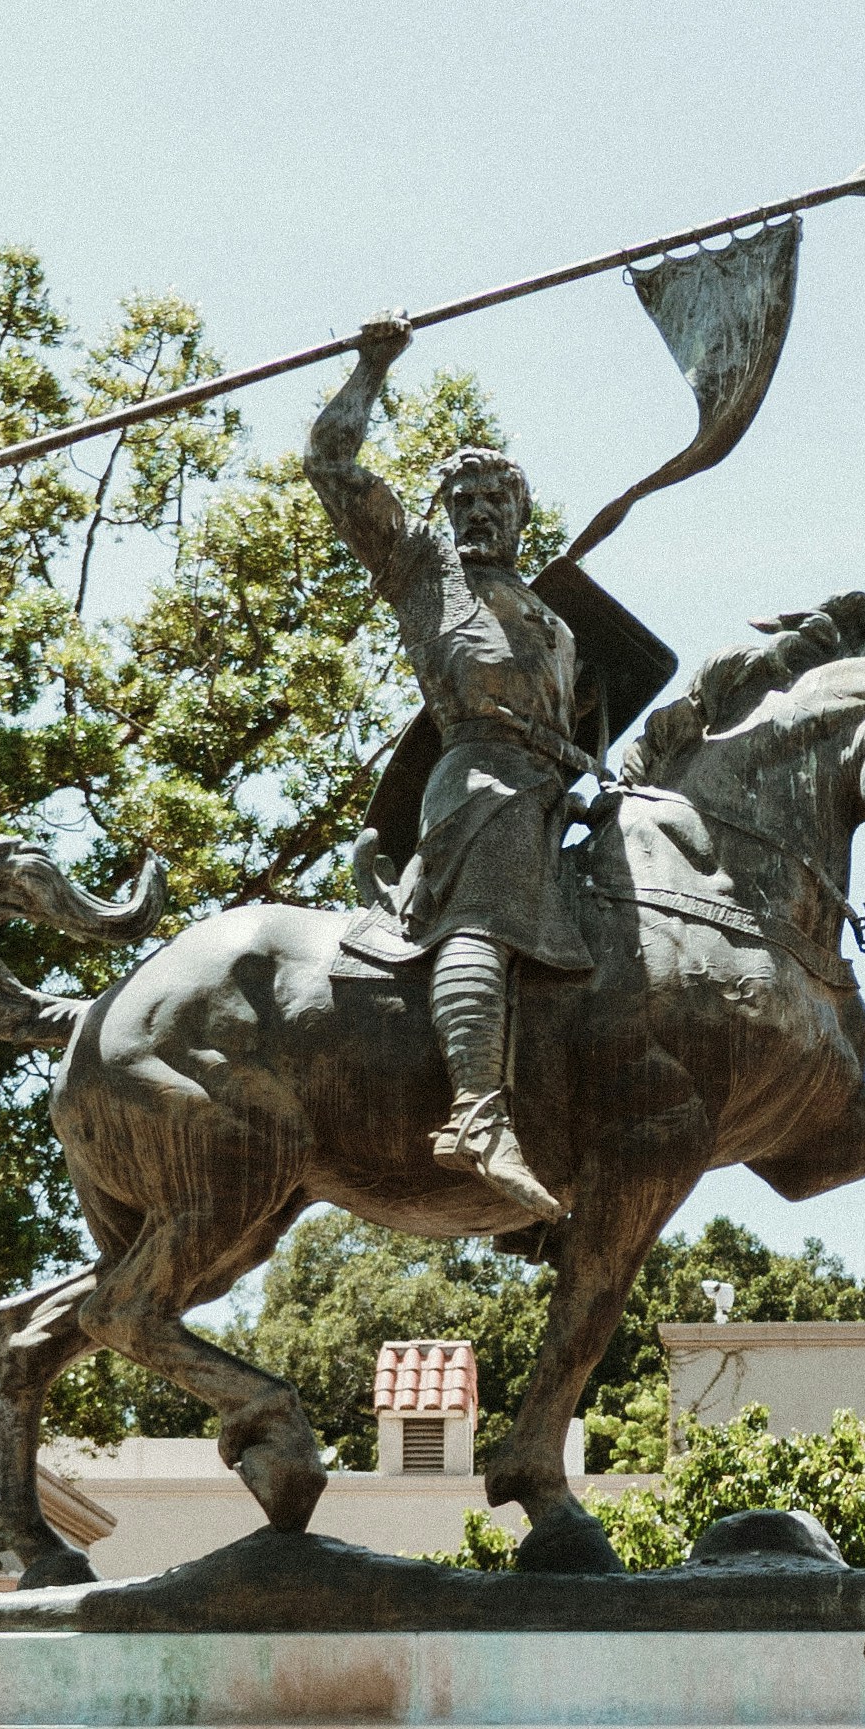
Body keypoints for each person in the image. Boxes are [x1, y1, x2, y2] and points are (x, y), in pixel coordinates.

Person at [305, 311, 590, 1226]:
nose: (475, 513)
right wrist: (371, 366)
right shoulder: (428, 573)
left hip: (554, 798)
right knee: (488, 908)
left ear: (521, 516)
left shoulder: (557, 627)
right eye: (461, 500)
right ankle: (475, 1113)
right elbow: (331, 466)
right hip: (480, 787)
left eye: (494, 501)